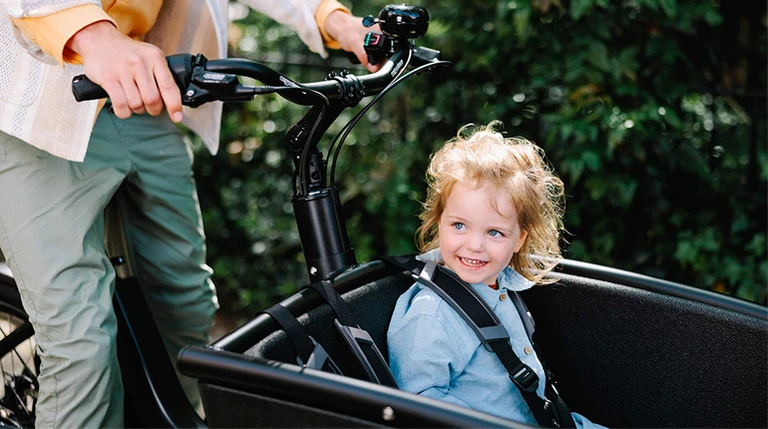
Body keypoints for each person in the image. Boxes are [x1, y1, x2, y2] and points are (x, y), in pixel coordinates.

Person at [0, 0, 379, 427]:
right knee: (79, 340)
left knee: (186, 304)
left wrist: (334, 21)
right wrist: (94, 35)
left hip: (137, 94)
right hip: (33, 105)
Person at [386, 121, 604, 428]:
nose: (474, 246)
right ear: (439, 222)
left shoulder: (505, 286)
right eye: (459, 225)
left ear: (519, 239)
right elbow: (420, 403)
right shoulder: (431, 315)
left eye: (494, 232)